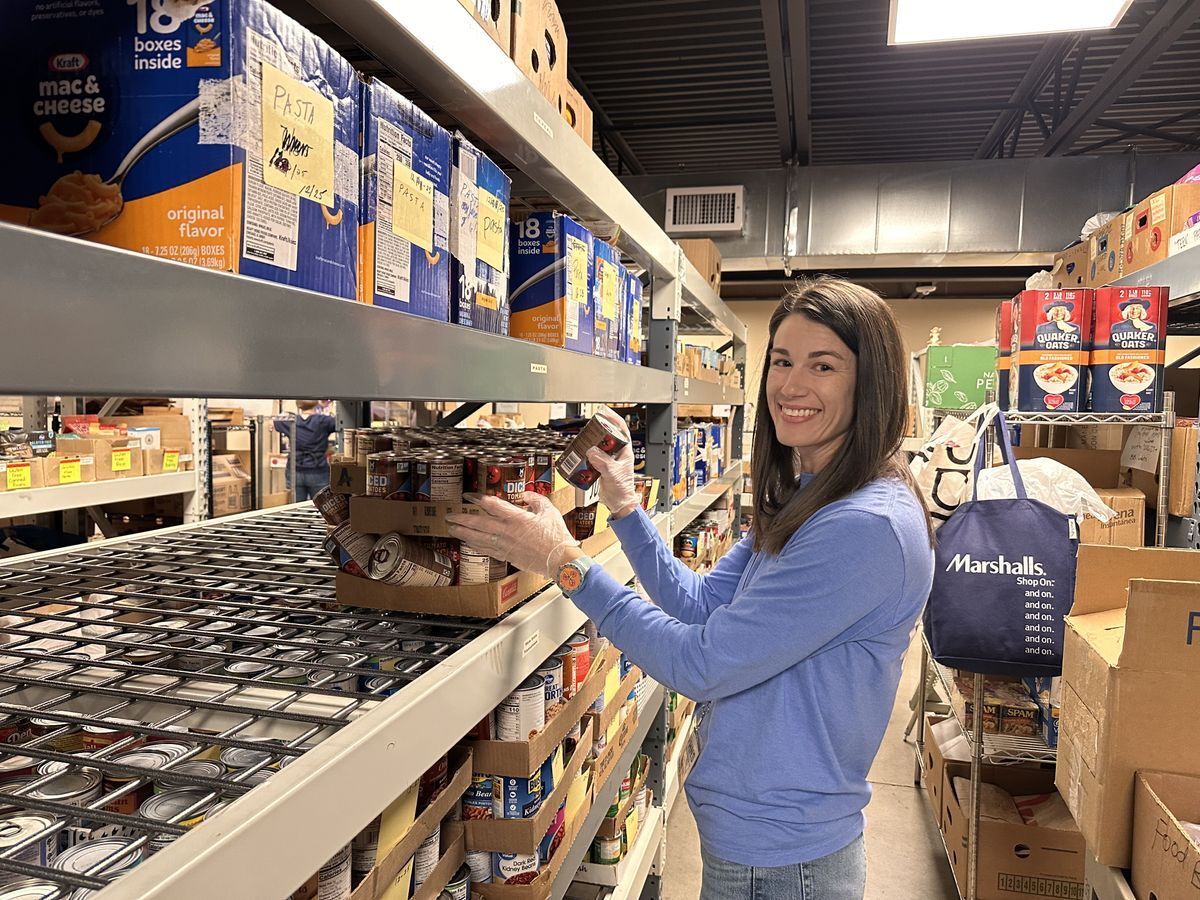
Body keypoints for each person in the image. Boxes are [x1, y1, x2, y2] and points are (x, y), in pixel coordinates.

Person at [446, 276, 935, 900]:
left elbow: (699, 664)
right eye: (782, 361)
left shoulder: (862, 527)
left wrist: (562, 561)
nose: (791, 386)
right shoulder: (812, 495)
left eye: (824, 365)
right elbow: (701, 604)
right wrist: (625, 505)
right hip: (754, 840)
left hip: (784, 860)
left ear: (873, 383)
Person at [274, 400, 336, 502]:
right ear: (316, 403)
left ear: (298, 405)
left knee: (296, 507)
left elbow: (276, 421)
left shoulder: (291, 421)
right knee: (322, 506)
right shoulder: (324, 421)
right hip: (317, 470)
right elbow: (341, 423)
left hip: (295, 470)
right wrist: (321, 406)